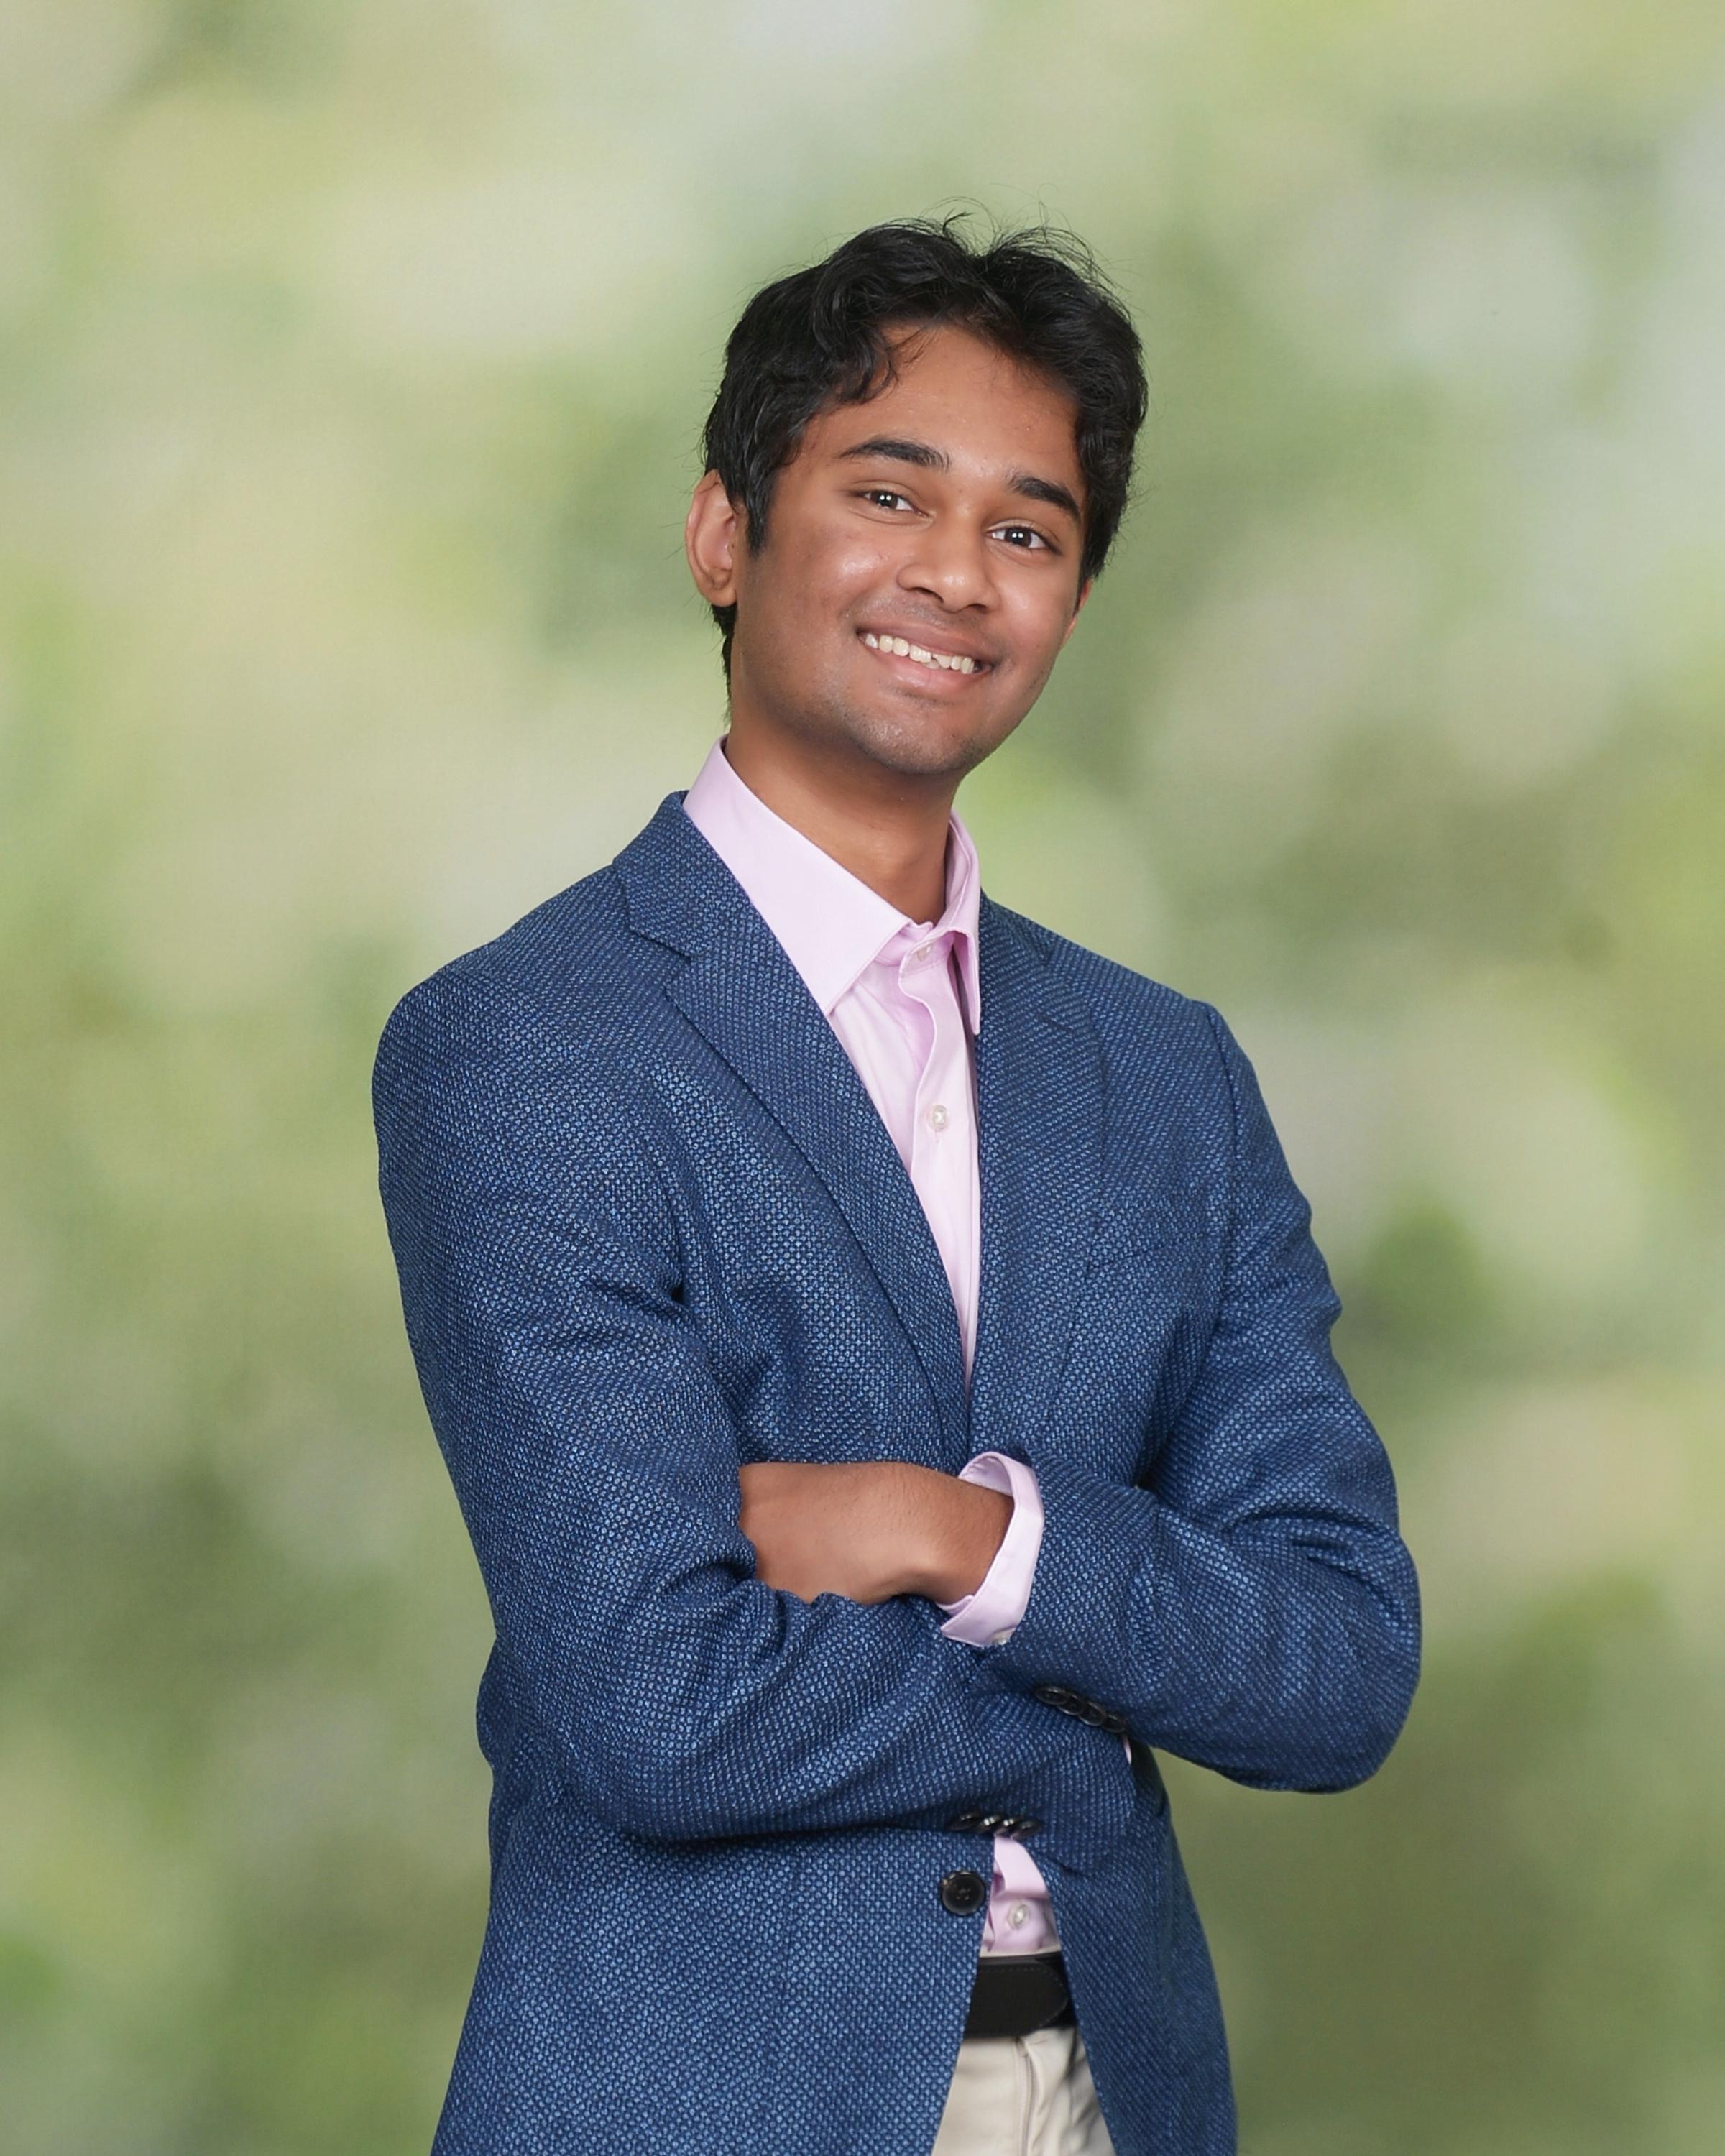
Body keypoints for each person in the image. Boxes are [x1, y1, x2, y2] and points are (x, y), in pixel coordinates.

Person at [372, 214, 1421, 2156]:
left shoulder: (1166, 1079)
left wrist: (956, 1536)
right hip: (700, 2103)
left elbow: (1342, 1662)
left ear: (1074, 602)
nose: (957, 571)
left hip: (1116, 2094)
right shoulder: (526, 1044)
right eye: (886, 492)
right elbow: (660, 1704)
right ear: (725, 533)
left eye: (1029, 529)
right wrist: (1097, 1701)